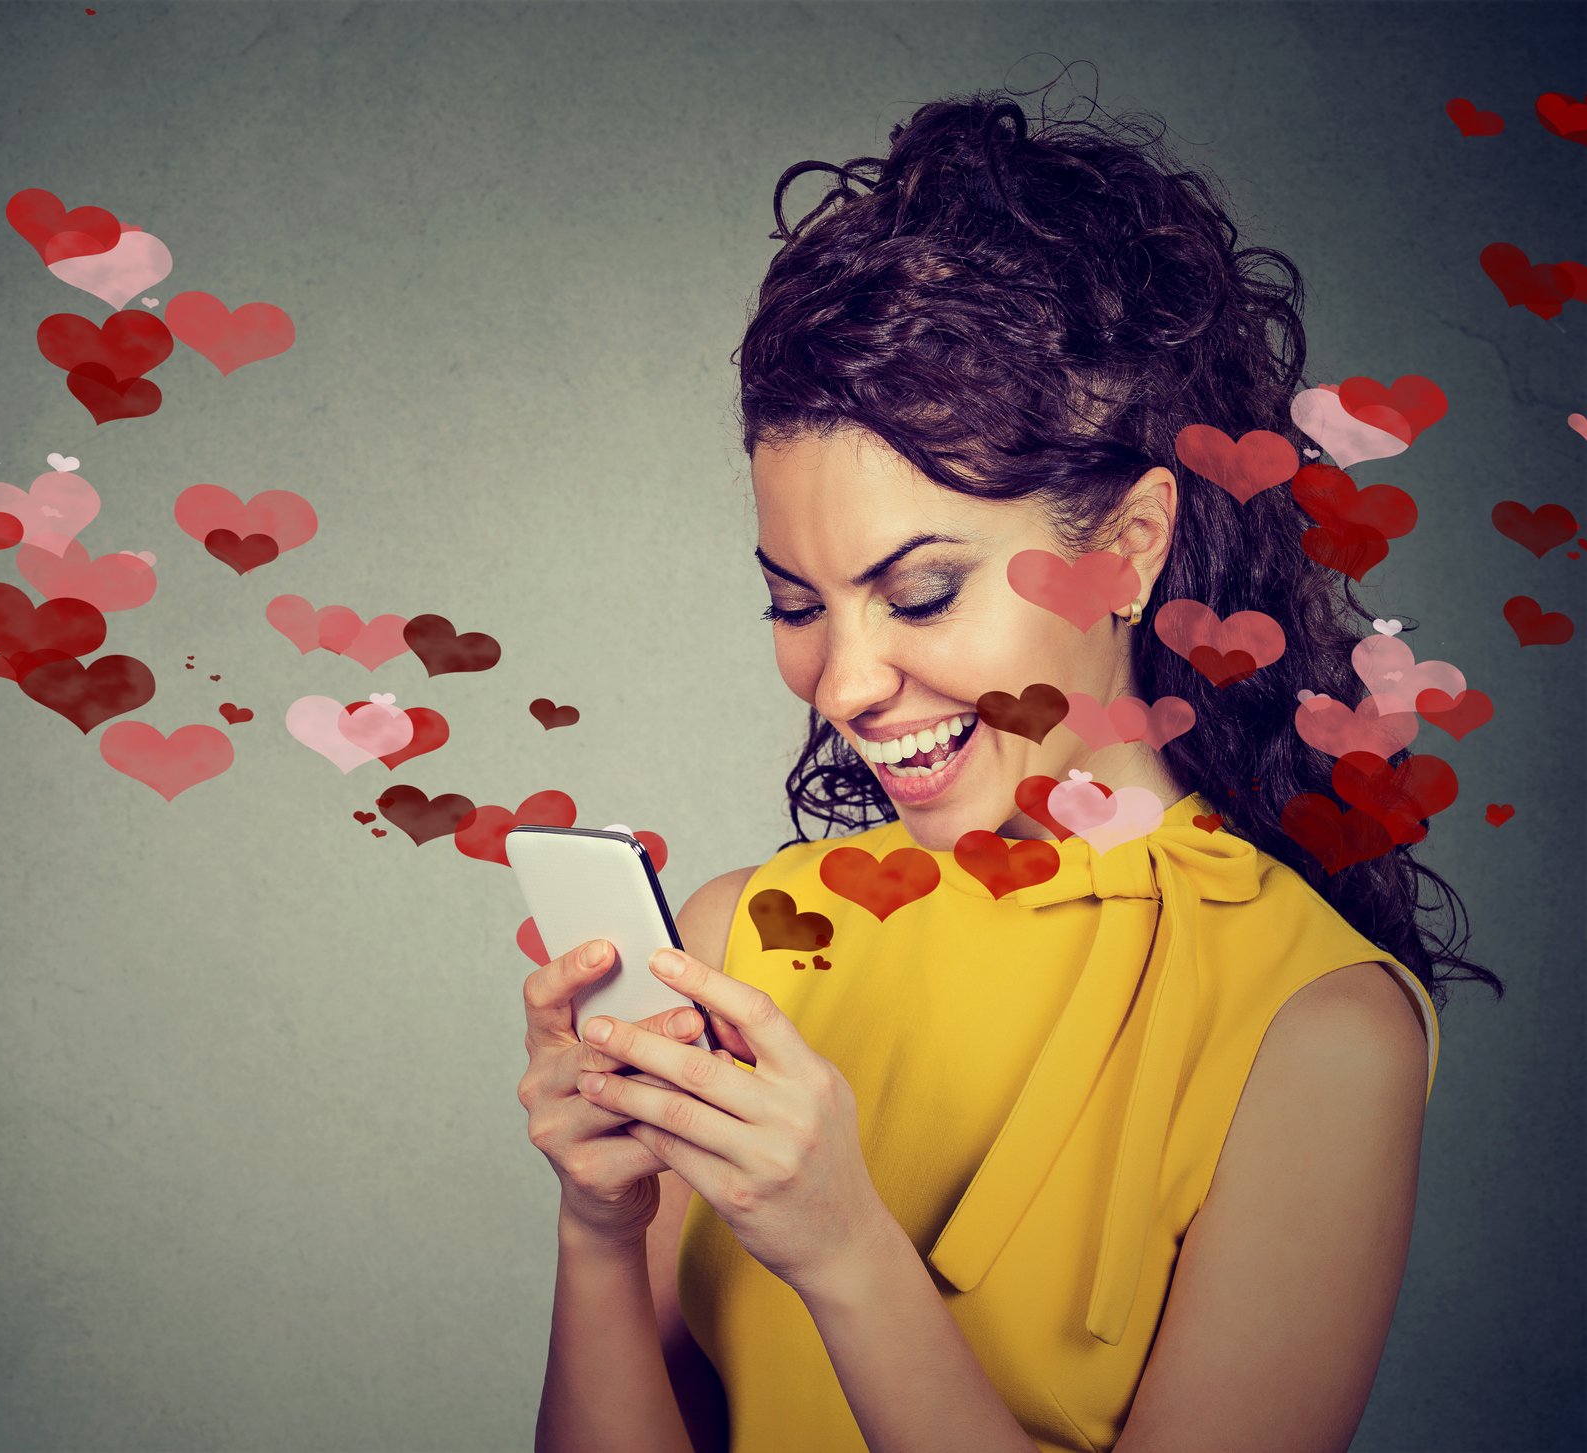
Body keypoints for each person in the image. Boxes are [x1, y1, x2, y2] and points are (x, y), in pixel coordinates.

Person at [519, 81, 1500, 1453]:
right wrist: (597, 1230)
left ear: (1134, 545)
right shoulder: (740, 942)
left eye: (917, 593)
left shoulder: (1314, 1033)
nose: (843, 683)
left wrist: (851, 1253)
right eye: (795, 603)